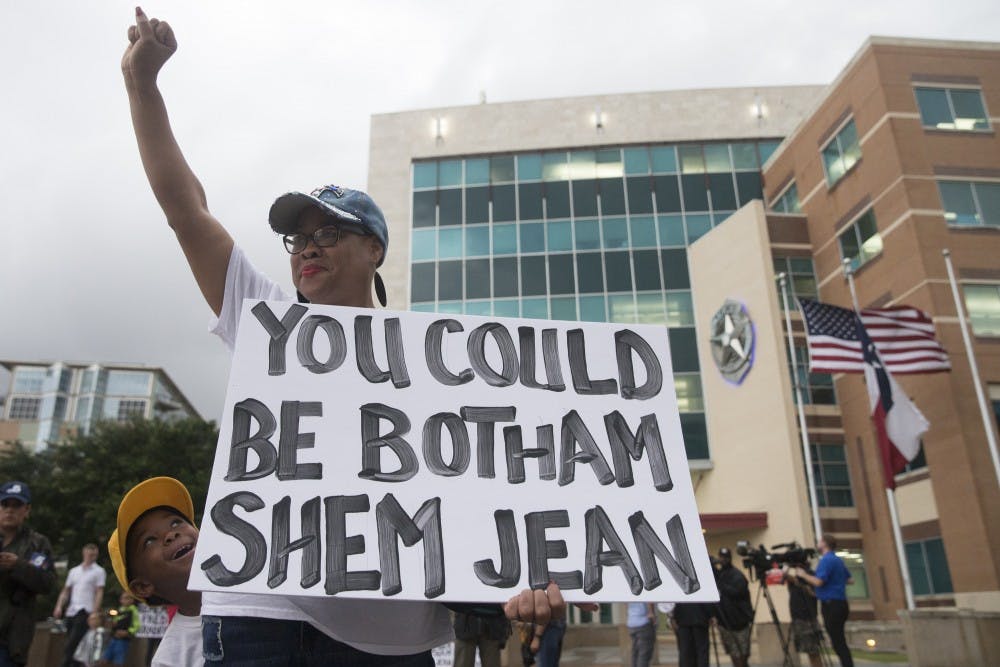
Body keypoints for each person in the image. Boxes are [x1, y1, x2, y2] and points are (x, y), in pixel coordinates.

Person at [122, 8, 563, 664]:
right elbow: (187, 212)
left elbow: (487, 484)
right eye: (298, 236)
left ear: (374, 248)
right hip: (262, 615)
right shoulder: (267, 320)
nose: (307, 247)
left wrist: (529, 569)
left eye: (328, 232)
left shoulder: (439, 363)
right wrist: (143, 88)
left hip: (394, 635)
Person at [107, 477, 203, 667]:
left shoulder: (264, 587)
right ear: (143, 586)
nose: (171, 534)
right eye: (149, 541)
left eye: (176, 523)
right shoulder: (169, 659)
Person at [0, 480, 56, 666]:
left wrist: (18, 566)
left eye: (17, 505)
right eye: (5, 504)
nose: (10, 510)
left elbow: (47, 583)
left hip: (10, 641)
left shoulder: (37, 544)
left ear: (27, 510)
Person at [791, 534, 853, 667]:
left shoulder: (826, 560)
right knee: (840, 640)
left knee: (838, 643)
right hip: (841, 603)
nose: (817, 544)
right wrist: (834, 584)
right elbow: (850, 580)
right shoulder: (837, 560)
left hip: (831, 605)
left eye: (819, 541)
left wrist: (803, 575)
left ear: (825, 544)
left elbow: (819, 581)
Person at [54, 543, 106, 667]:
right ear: (84, 553)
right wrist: (59, 606)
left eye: (94, 555)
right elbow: (66, 590)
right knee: (74, 645)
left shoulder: (99, 571)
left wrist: (94, 611)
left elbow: (99, 592)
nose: (91, 556)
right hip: (71, 611)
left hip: (85, 611)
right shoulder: (74, 571)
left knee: (72, 644)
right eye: (89, 553)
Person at [713, 548, 752, 667]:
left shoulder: (737, 575)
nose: (723, 560)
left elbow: (737, 592)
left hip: (740, 623)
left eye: (726, 557)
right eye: (721, 557)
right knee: (732, 652)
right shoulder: (720, 574)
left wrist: (721, 585)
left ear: (730, 558)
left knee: (742, 654)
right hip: (725, 622)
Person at [784, 563, 823, 667]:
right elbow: (784, 580)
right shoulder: (796, 576)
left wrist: (798, 581)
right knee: (809, 651)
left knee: (813, 651)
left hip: (807, 619)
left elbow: (813, 593)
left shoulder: (809, 575)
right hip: (797, 617)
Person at [102, 592, 140, 665]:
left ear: (132, 600)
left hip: (123, 640)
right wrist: (112, 624)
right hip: (114, 638)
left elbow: (137, 625)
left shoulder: (133, 610)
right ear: (120, 600)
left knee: (118, 661)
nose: (125, 600)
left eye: (128, 598)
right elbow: (115, 621)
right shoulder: (119, 610)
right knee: (105, 659)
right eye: (123, 598)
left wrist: (127, 632)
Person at [671, 602, 712, 667]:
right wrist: (711, 614)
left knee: (685, 650)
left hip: (682, 616)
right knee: (701, 651)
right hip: (700, 616)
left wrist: (672, 616)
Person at [626, 602, 656, 667]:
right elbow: (649, 601)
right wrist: (651, 613)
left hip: (631, 622)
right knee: (644, 654)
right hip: (644, 622)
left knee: (635, 652)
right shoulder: (645, 591)